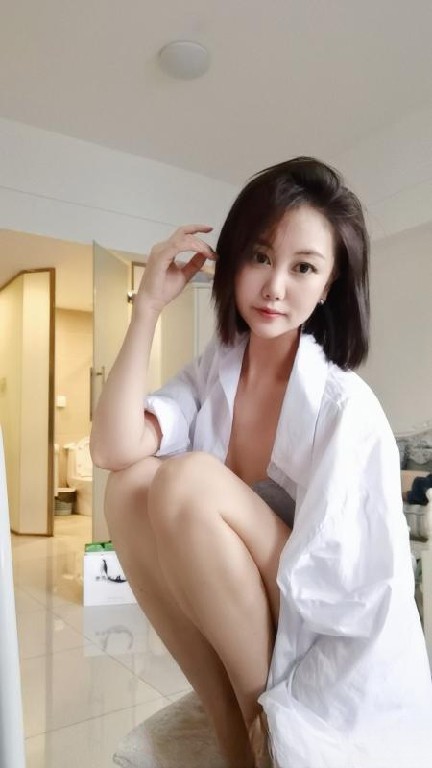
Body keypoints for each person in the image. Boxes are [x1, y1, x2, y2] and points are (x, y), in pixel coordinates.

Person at [90, 157, 432, 768]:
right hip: (261, 608)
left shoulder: (344, 407)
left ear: (328, 285)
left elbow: (349, 588)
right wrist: (147, 308)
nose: (275, 287)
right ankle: (232, 729)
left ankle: (265, 734)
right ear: (234, 261)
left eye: (303, 267)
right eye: (260, 256)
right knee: (130, 485)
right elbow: (112, 450)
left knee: (188, 480)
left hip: (331, 621)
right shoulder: (216, 367)